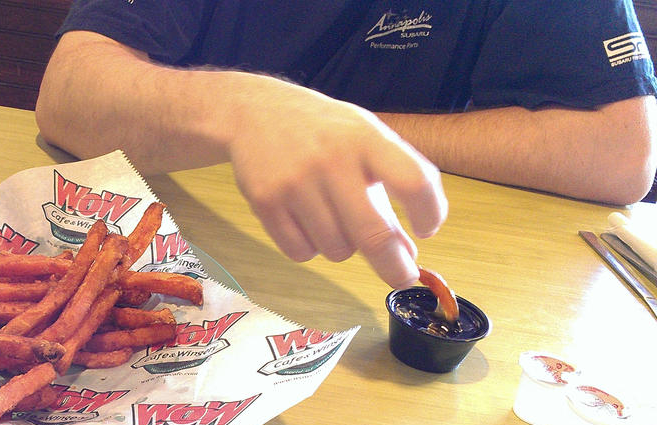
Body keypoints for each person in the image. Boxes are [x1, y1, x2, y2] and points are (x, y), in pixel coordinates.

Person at [35, 1, 657, 288]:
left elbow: (623, 153)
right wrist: (249, 111)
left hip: (377, 282)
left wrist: (347, 130)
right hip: (165, 254)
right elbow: (68, 94)